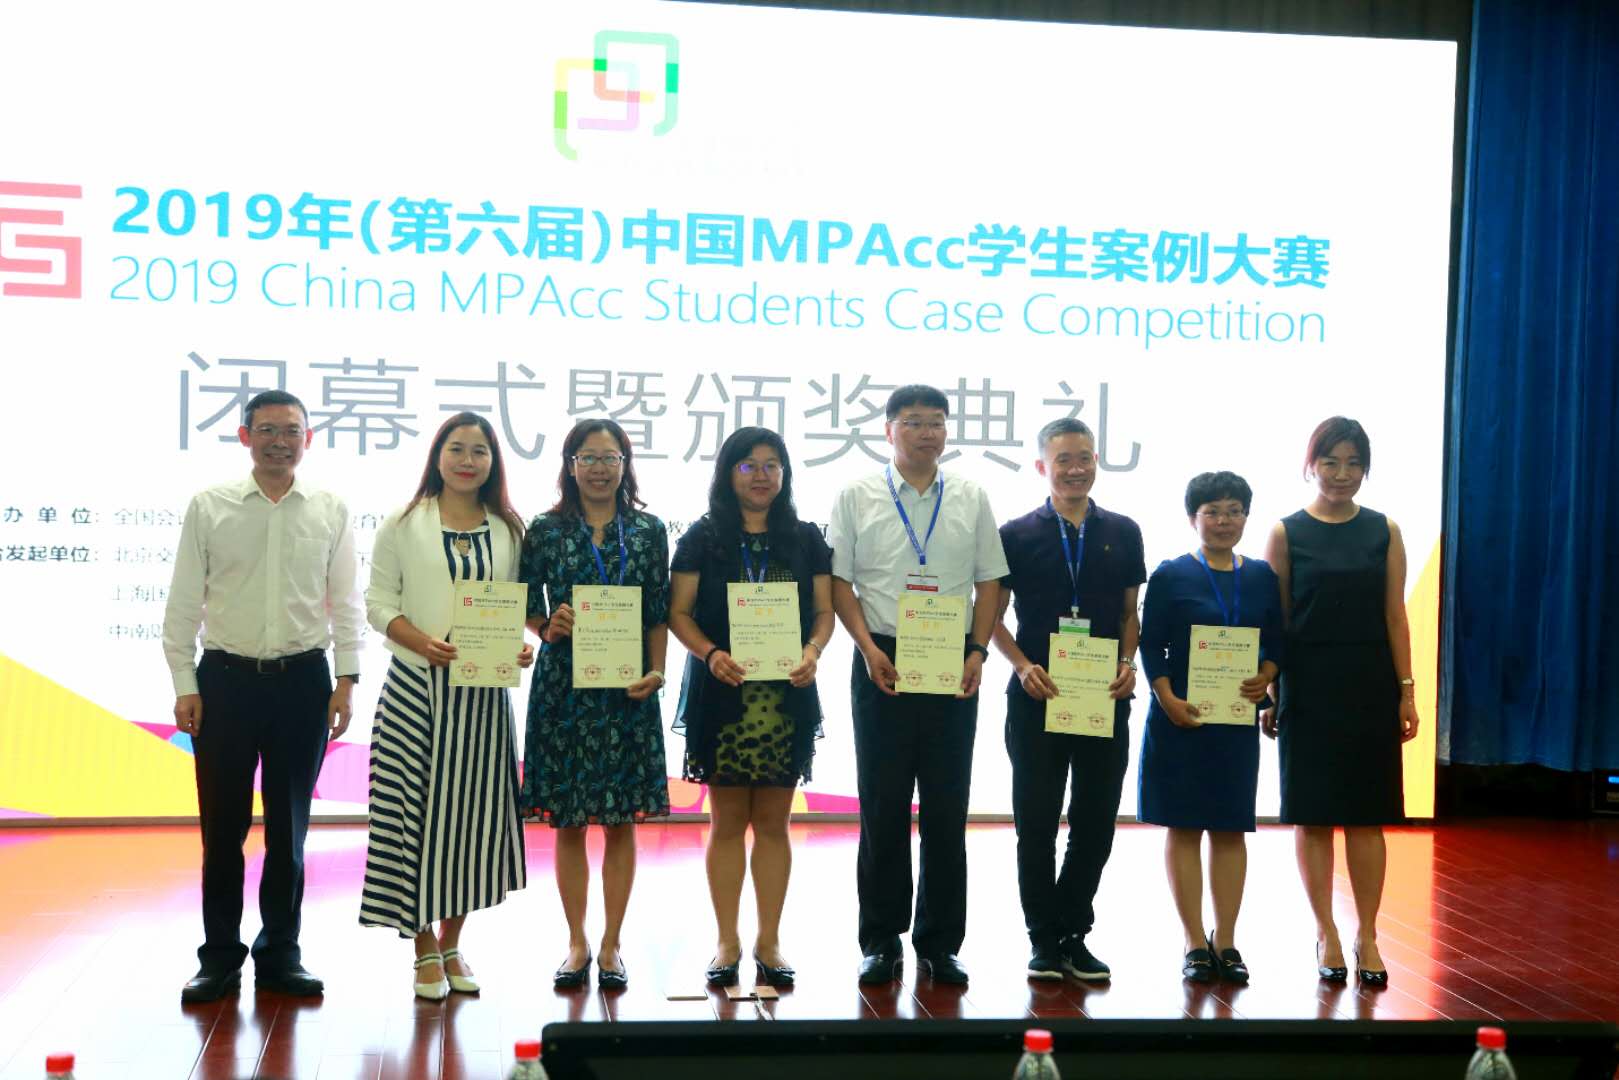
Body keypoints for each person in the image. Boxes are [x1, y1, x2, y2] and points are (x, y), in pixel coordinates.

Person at [162, 389, 364, 1002]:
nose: (281, 441)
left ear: (309, 439)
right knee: (222, 831)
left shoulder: (329, 509)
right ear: (245, 436)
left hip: (303, 684)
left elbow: (346, 603)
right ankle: (219, 956)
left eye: (292, 431)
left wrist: (346, 680)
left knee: (289, 831)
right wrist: (185, 684)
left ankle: (281, 953)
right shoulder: (211, 506)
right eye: (269, 430)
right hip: (224, 683)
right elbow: (183, 604)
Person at [827, 384, 1008, 986]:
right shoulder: (857, 495)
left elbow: (990, 581)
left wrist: (978, 651)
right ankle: (880, 940)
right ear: (888, 430)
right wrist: (867, 648)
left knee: (947, 806)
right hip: (882, 656)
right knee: (882, 805)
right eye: (913, 422)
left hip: (952, 659)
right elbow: (840, 583)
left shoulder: (971, 495)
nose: (927, 433)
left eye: (936, 422)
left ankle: (939, 942)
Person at [359, 412, 533, 999]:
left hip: (482, 700)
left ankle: (453, 942)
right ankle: (422, 945)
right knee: (410, 817)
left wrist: (520, 646)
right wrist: (420, 642)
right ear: (437, 456)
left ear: (493, 462)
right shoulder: (405, 522)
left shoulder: (509, 528)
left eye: (479, 451)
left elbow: (514, 607)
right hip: (416, 689)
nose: (467, 460)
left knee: (471, 823)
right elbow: (378, 602)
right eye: (456, 448)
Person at [668, 427, 836, 988]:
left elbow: (824, 613)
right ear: (728, 473)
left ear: (785, 474)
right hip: (724, 693)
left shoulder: (805, 538)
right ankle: (727, 940)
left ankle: (769, 940)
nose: (761, 475)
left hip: (784, 698)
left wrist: (813, 651)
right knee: (725, 824)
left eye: (772, 465)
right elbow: (679, 613)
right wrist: (710, 653)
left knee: (773, 824)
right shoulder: (703, 536)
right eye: (748, 465)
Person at [1263, 417, 1419, 987]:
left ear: (1365, 469)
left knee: (1367, 816)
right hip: (1307, 686)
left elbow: (1395, 615)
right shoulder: (1286, 532)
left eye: (1353, 463)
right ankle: (1326, 930)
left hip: (1369, 684)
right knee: (1313, 816)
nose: (1341, 473)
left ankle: (1368, 933)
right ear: (1312, 465)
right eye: (1330, 462)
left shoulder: (1384, 530)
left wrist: (1407, 690)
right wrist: (1273, 691)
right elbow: (1277, 621)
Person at [519, 418, 670, 991]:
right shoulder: (546, 529)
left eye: (611, 458)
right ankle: (577, 941)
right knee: (569, 822)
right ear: (571, 465)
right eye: (589, 457)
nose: (600, 468)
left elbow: (657, 613)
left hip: (628, 690)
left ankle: (611, 944)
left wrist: (657, 671)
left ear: (625, 465)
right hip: (564, 688)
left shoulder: (649, 531)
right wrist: (545, 626)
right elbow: (525, 604)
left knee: (621, 821)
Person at [992, 418, 1144, 983]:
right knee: (1035, 822)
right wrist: (1022, 665)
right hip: (1038, 695)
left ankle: (1073, 933)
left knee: (1096, 820)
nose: (1076, 469)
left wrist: (1129, 664)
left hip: (1103, 696)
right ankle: (1042, 938)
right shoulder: (1015, 534)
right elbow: (991, 618)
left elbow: (1129, 614)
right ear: (1042, 466)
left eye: (1085, 458)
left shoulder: (1124, 531)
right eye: (1064, 460)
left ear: (1096, 461)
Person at [1137, 472, 1282, 985]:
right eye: (1213, 511)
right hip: (1182, 716)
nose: (1224, 521)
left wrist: (1267, 674)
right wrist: (1166, 697)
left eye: (1234, 510)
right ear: (1192, 518)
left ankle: (1228, 939)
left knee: (1229, 828)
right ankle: (1194, 940)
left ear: (1246, 516)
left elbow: (1276, 641)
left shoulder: (1262, 575)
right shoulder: (1171, 574)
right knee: (1183, 826)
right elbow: (1151, 643)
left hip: (1234, 723)